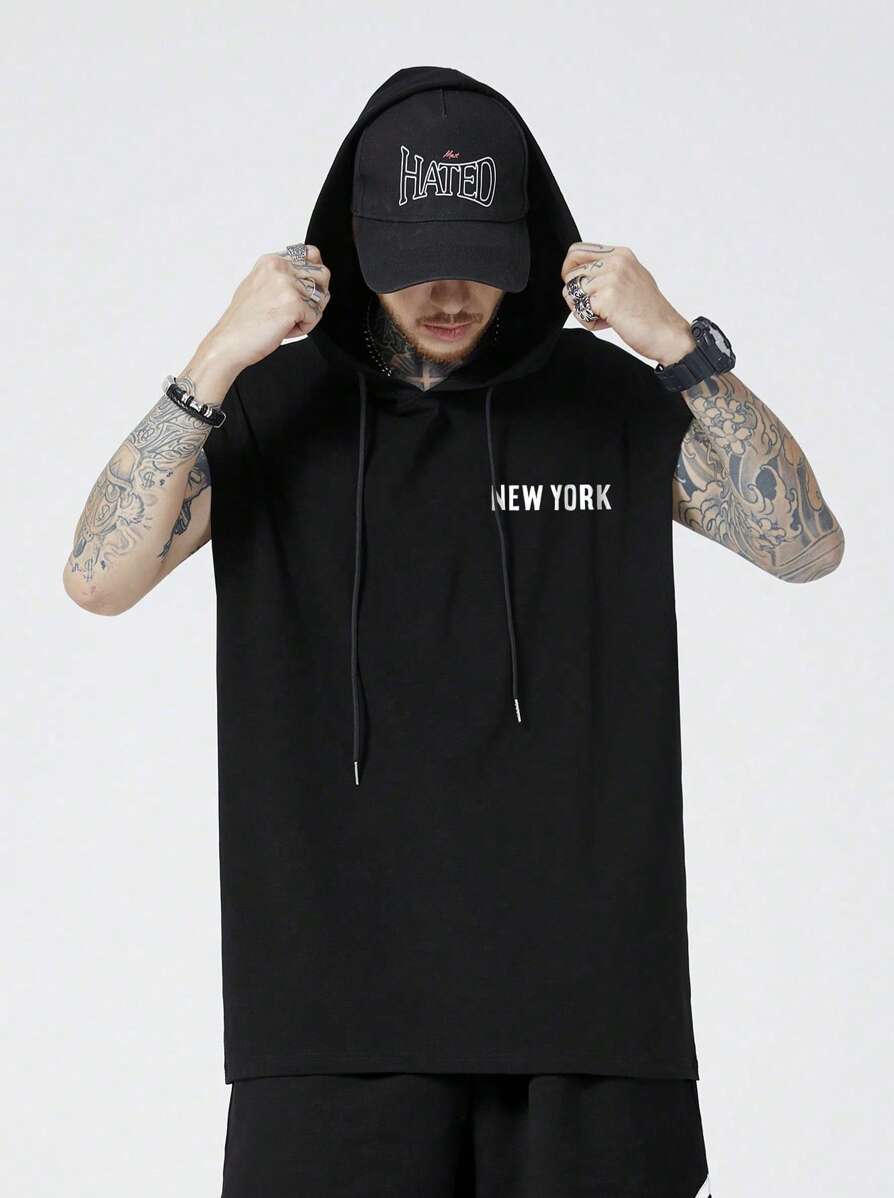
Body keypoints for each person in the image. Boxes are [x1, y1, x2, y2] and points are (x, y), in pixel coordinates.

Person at [63, 65, 845, 1198]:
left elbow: (807, 547)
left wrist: (677, 344)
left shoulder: (605, 402)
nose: (445, 293)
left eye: (475, 259)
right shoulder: (273, 409)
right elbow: (97, 579)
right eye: (412, 260)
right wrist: (216, 357)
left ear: (527, 247)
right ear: (354, 249)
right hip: (329, 1019)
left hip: (593, 1020)